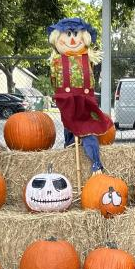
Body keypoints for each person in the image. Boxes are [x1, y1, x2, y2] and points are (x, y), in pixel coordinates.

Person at [48, 17, 112, 173]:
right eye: (68, 34)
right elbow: (54, 82)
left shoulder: (87, 59)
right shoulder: (56, 61)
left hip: (85, 101)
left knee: (87, 128)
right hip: (67, 101)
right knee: (69, 125)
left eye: (75, 34)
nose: (71, 38)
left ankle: (95, 162)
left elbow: (90, 81)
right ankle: (70, 148)